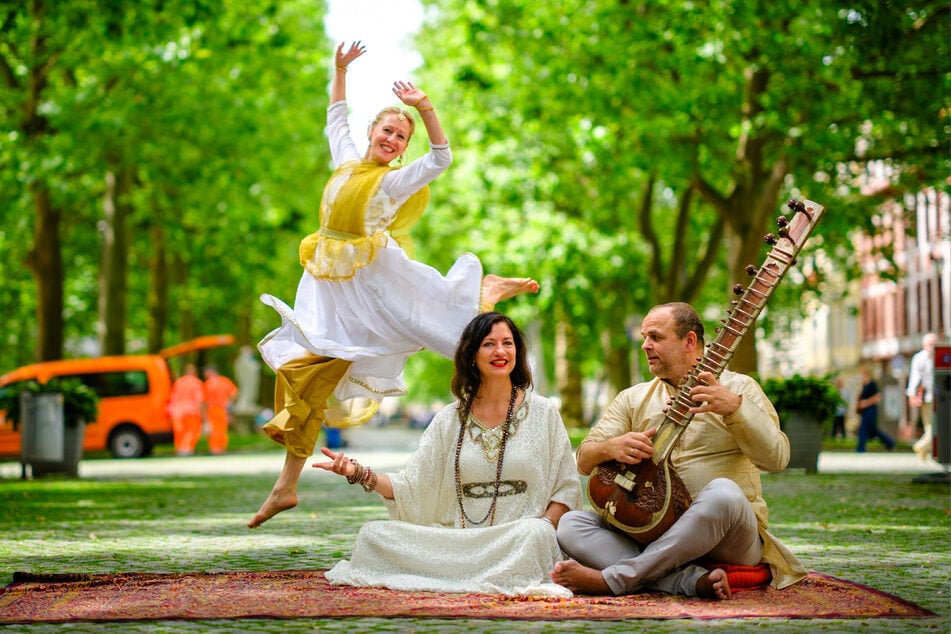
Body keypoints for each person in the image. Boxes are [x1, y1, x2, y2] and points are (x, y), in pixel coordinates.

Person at [249, 42, 539, 528]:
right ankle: (287, 486)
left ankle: (484, 294)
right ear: (372, 131)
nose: (393, 140)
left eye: (402, 137)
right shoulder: (344, 159)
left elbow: (442, 158)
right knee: (305, 374)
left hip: (378, 285)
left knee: (456, 339)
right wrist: (339, 69)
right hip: (326, 287)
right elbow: (334, 117)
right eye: (388, 130)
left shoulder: (394, 182)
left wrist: (424, 109)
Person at [550, 302, 806, 600]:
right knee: (571, 524)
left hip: (727, 536)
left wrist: (735, 409)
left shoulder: (739, 388)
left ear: (690, 341)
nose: (645, 345)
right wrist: (612, 447)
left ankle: (615, 579)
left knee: (723, 493)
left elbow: (777, 459)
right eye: (644, 337)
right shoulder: (633, 398)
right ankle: (688, 581)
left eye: (656, 337)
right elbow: (583, 460)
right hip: (649, 530)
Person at [315, 312, 582, 596]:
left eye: (508, 343)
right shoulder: (449, 418)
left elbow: (566, 487)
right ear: (472, 354)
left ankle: (475, 571)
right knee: (373, 534)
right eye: (489, 344)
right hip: (457, 540)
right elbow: (412, 486)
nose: (500, 351)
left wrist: (545, 525)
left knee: (536, 535)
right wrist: (357, 473)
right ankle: (473, 572)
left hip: (518, 538)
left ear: (517, 351)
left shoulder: (544, 412)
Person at [907, 333, 937, 461]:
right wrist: (912, 395)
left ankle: (924, 451)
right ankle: (921, 446)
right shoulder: (919, 358)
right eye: (931, 344)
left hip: (941, 398)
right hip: (928, 399)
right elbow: (914, 378)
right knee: (932, 427)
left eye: (935, 343)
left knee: (934, 427)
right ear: (924, 345)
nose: (933, 347)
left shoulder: (940, 356)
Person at [855, 364, 895, 453]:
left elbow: (877, 397)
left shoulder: (872, 384)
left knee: (863, 428)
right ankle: (890, 443)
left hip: (871, 410)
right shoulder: (863, 384)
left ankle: (860, 447)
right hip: (865, 411)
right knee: (873, 430)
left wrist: (865, 403)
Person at [168, 363, 205, 456]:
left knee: (179, 432)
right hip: (191, 411)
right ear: (194, 373)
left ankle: (179, 449)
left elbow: (172, 397)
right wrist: (203, 414)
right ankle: (186, 450)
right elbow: (199, 399)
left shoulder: (178, 382)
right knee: (191, 432)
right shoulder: (196, 383)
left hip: (177, 412)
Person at [203, 365, 239, 455]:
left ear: (210, 372)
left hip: (212, 409)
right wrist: (229, 403)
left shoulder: (208, 383)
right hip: (223, 409)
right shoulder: (224, 381)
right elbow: (234, 393)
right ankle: (222, 448)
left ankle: (215, 449)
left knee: (214, 429)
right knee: (222, 429)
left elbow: (204, 400)